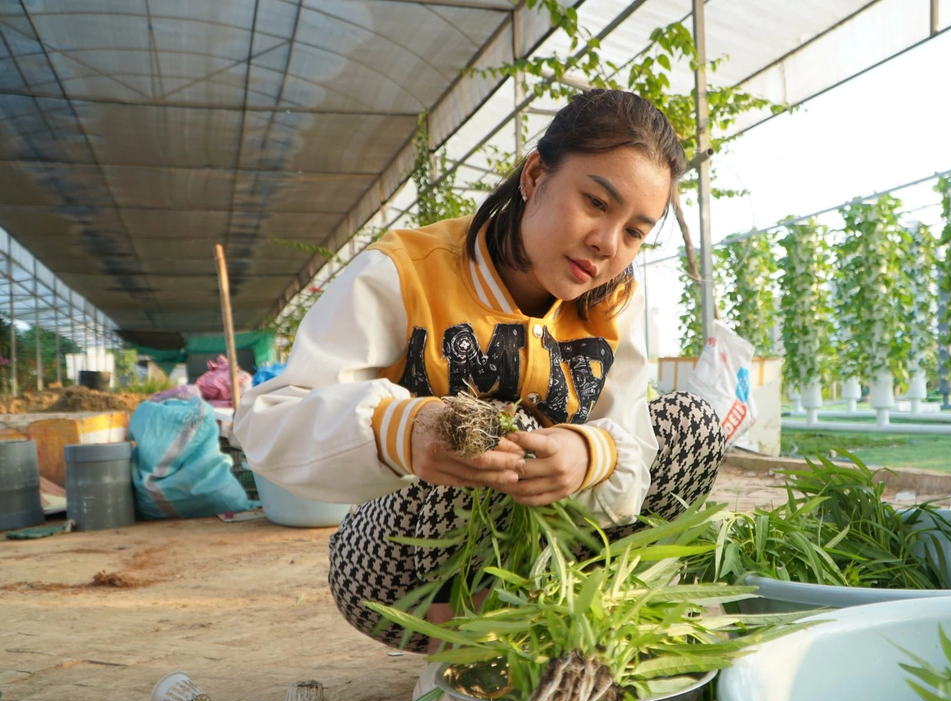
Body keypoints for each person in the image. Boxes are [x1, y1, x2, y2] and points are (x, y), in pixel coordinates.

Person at [234, 89, 726, 651]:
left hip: (551, 548)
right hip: (397, 570)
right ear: (536, 176)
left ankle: (575, 627)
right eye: (595, 202)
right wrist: (400, 429)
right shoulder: (403, 273)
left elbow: (632, 442)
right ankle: (469, 656)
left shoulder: (615, 301)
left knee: (693, 426)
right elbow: (268, 422)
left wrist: (592, 454)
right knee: (480, 429)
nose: (607, 243)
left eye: (635, 231)